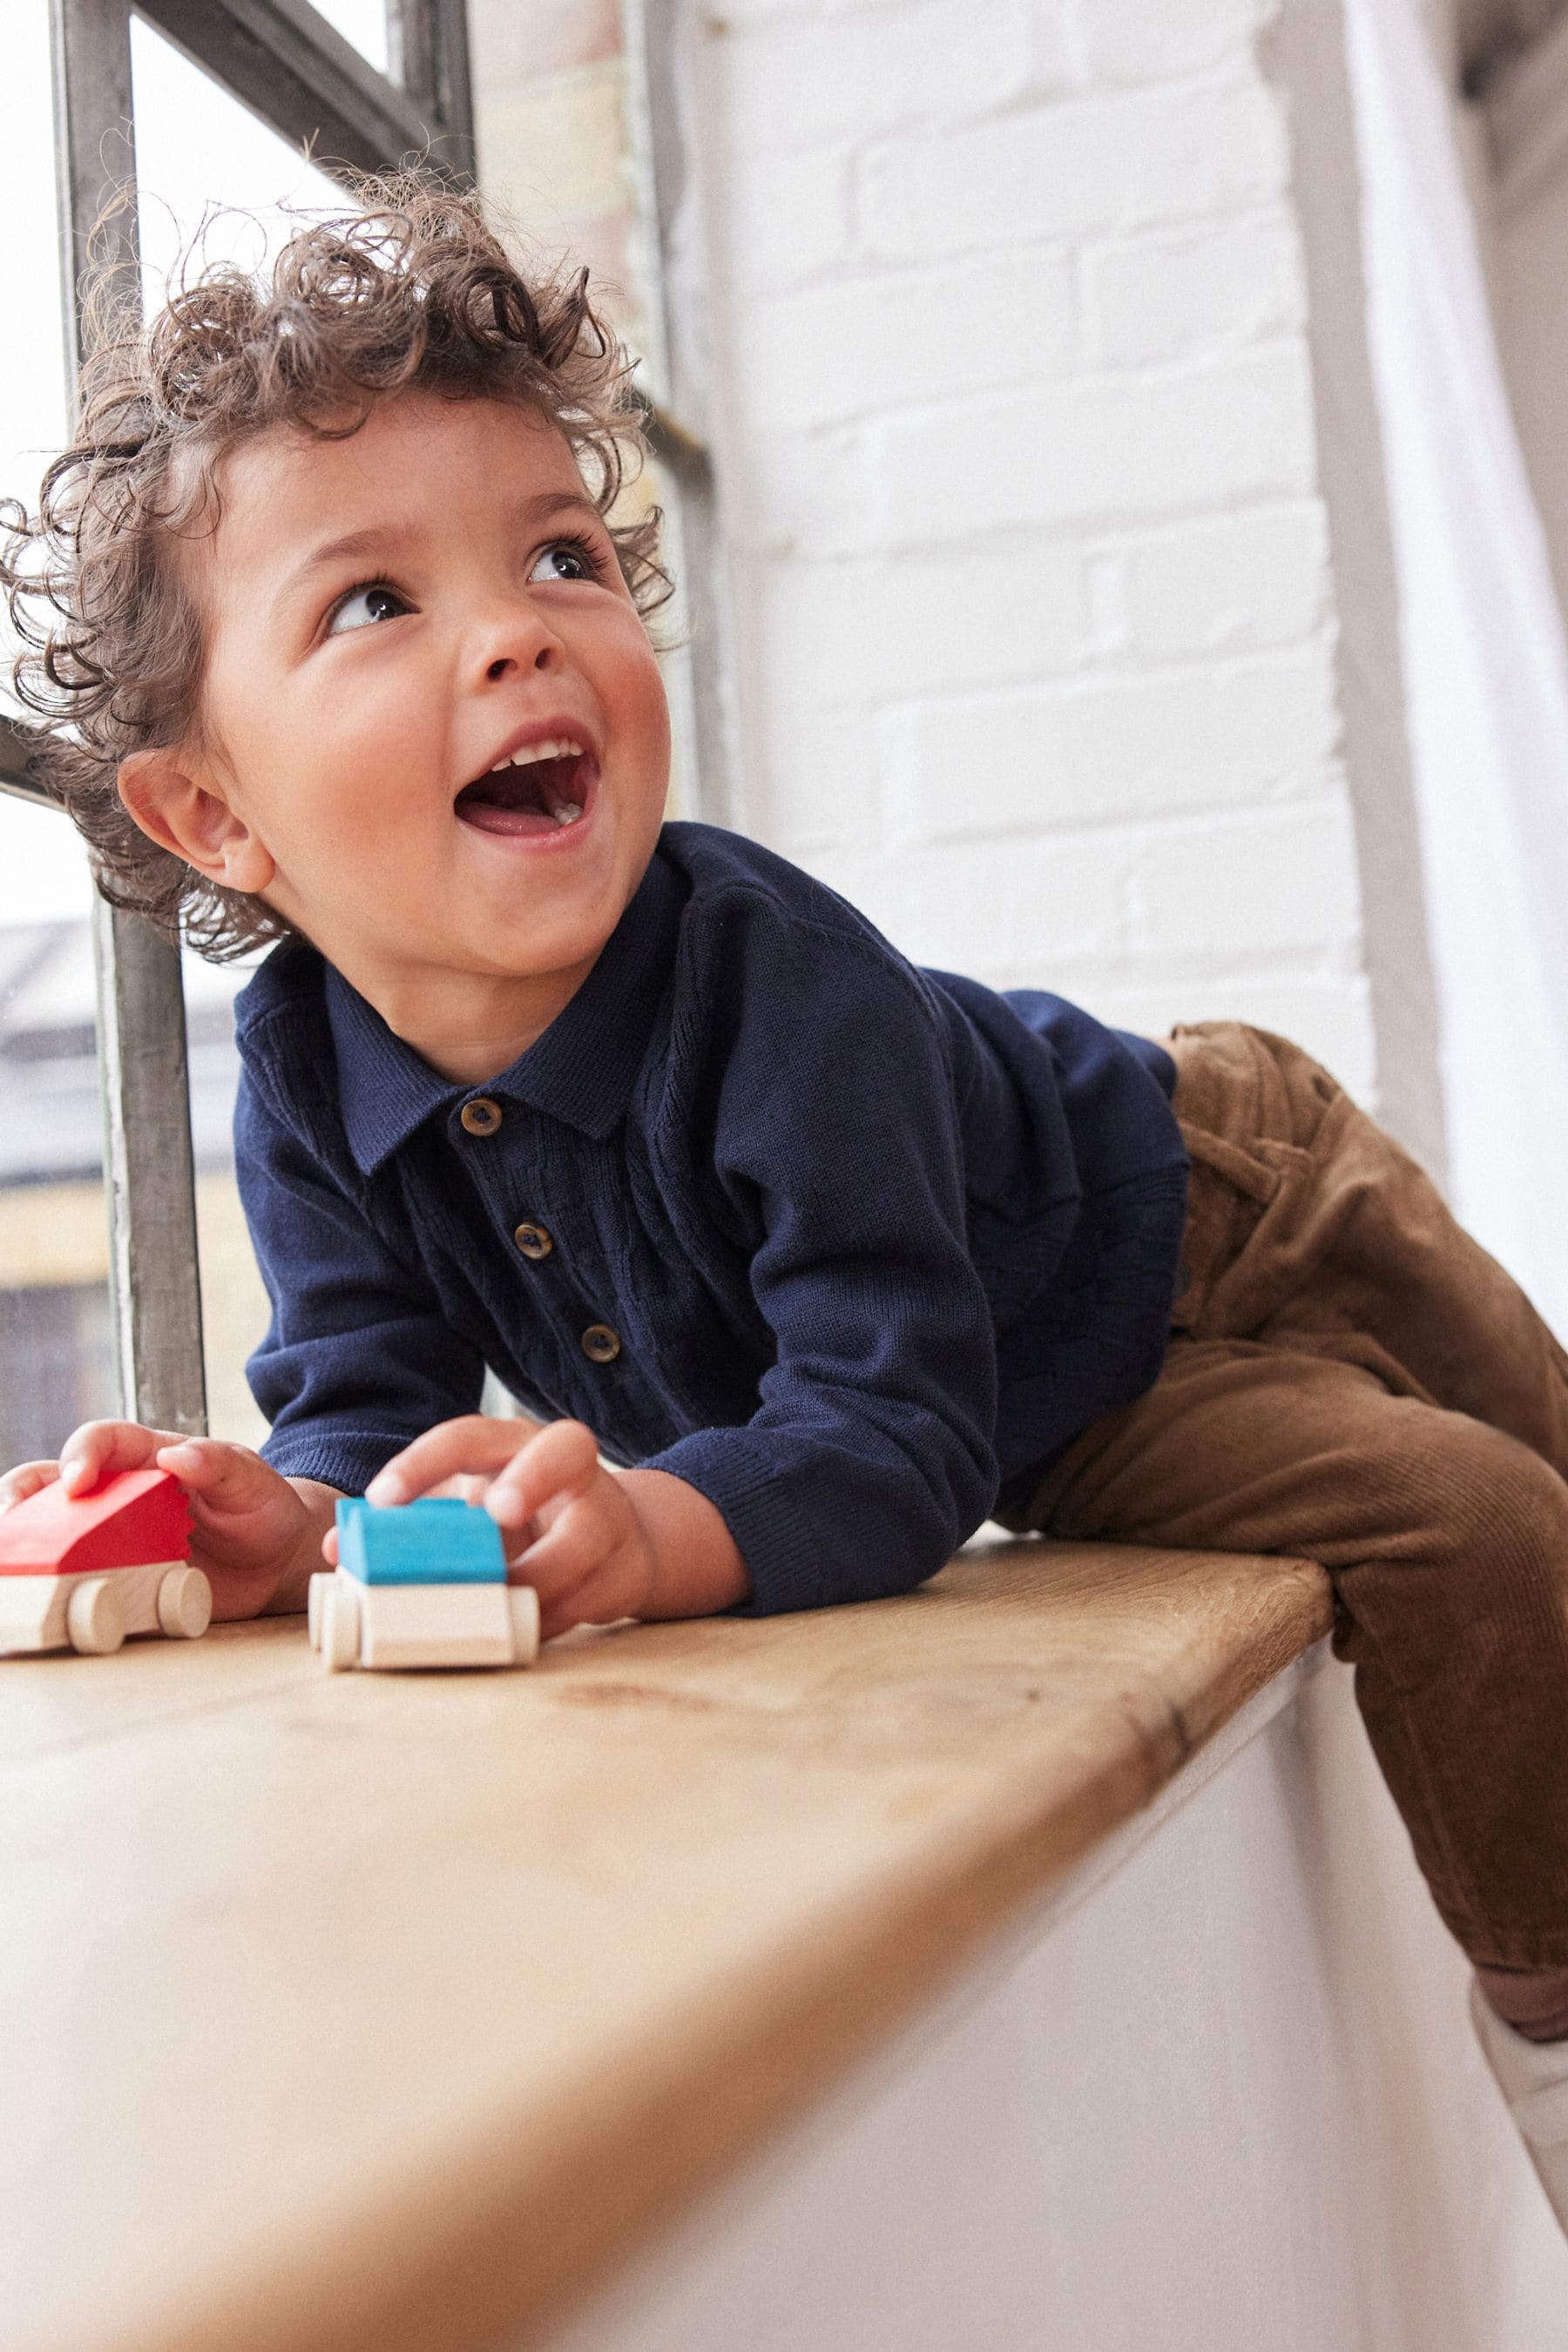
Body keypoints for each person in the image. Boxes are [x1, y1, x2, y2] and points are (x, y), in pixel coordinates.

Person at [3, 184, 1567, 2226]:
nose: (516, 625)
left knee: (1546, 1465)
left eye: (563, 555)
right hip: (1055, 1381)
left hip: (1215, 1192)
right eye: (375, 603)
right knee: (1465, 1526)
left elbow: (887, 1426)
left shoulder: (771, 972)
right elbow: (378, 1413)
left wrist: (649, 1528)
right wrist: (291, 1522)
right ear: (216, 816)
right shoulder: (303, 1076)